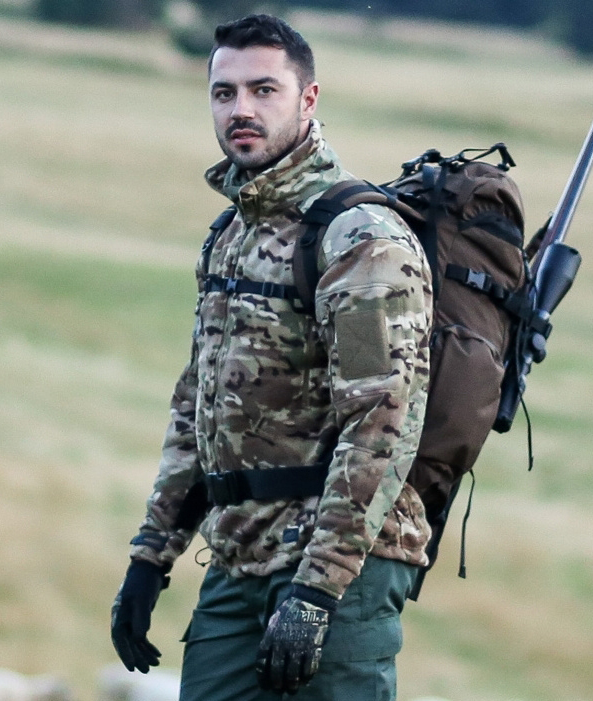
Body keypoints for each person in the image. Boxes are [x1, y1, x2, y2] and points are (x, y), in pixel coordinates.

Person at [111, 14, 433, 701]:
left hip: (340, 568)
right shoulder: (232, 232)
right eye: (224, 92)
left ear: (307, 99)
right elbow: (199, 405)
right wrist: (150, 556)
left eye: (264, 90)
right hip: (238, 558)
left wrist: (316, 591)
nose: (241, 110)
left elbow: (381, 419)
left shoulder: (358, 239)